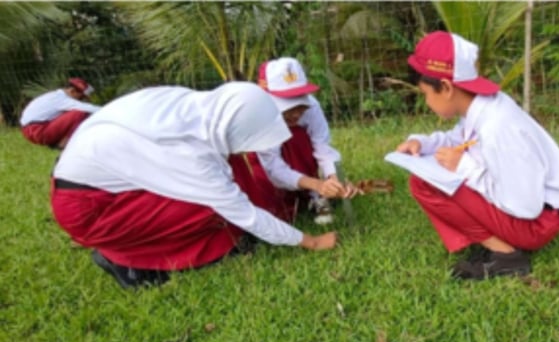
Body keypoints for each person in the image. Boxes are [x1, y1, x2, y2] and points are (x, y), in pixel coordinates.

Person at [51, 82, 337, 289]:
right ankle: (132, 267)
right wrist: (311, 241)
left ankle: (225, 240)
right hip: (88, 207)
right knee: (210, 210)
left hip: (99, 182)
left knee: (230, 175)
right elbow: (242, 211)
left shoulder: (195, 107)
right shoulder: (192, 153)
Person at [395, 31, 559, 280]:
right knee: (423, 179)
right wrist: (422, 143)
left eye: (426, 94)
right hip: (534, 209)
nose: (426, 102)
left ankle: (506, 256)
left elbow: (525, 206)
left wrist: (465, 168)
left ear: (446, 88)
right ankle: (500, 246)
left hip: (537, 222)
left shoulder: (497, 128)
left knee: (425, 185)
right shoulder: (481, 106)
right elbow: (460, 138)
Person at [233, 57, 357, 225]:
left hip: (300, 159)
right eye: (287, 106)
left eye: (300, 104)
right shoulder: (261, 117)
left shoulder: (312, 107)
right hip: (268, 170)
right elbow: (274, 168)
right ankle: (290, 197)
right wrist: (318, 184)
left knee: (298, 137)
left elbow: (322, 147)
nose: (296, 113)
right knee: (274, 216)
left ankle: (313, 196)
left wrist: (334, 177)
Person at [20, 78, 101, 149]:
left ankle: (61, 142)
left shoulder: (55, 96)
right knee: (80, 113)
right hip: (37, 131)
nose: (81, 100)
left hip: (32, 129)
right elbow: (89, 109)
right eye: (81, 97)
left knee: (76, 113)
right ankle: (63, 144)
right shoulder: (61, 99)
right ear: (72, 91)